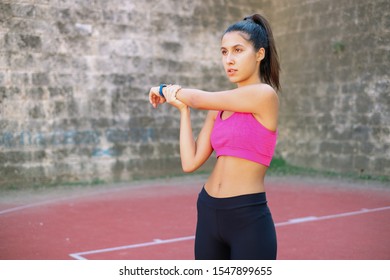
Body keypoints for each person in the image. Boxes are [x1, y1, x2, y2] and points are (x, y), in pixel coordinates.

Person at [148, 13, 280, 260]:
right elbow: (190, 163)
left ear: (260, 54)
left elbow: (198, 98)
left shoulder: (264, 95)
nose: (229, 60)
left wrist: (165, 90)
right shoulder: (218, 108)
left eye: (238, 50)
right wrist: (183, 111)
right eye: (224, 52)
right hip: (208, 209)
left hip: (247, 216)